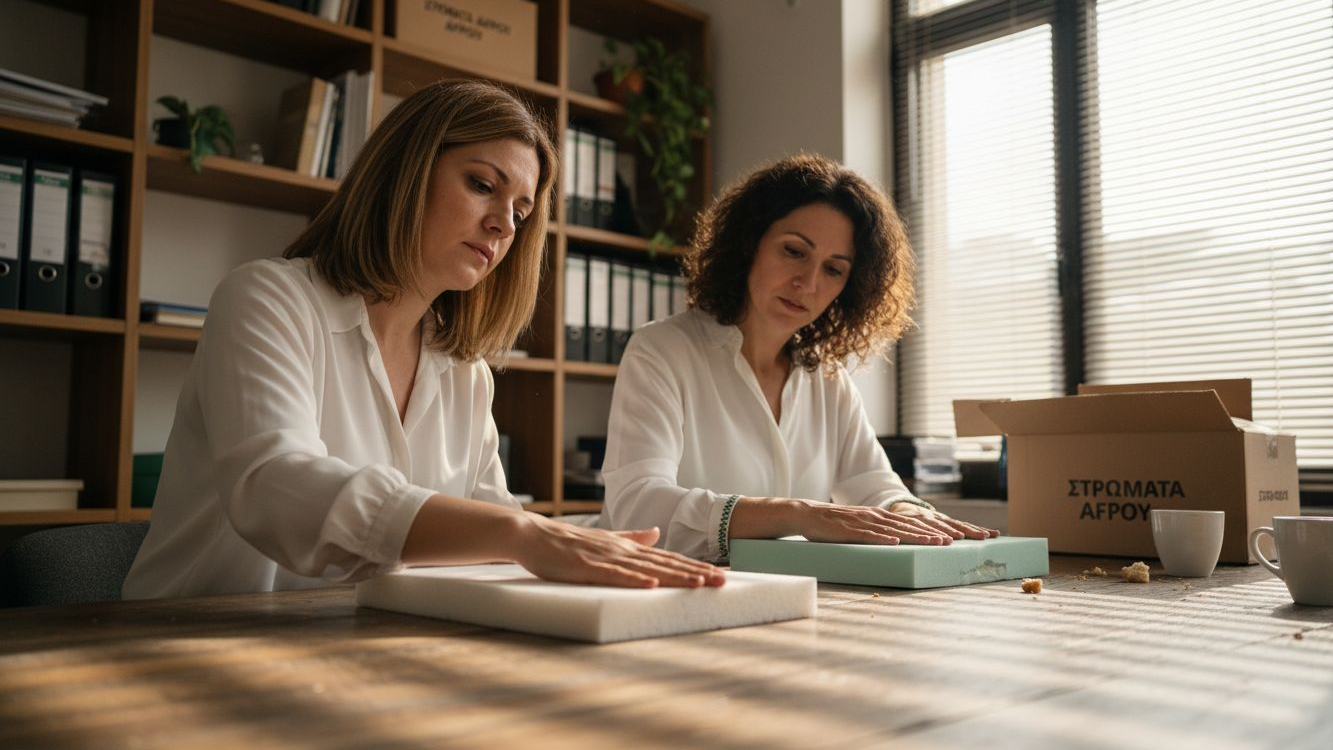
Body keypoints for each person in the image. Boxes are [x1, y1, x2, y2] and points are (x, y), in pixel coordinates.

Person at [124, 80, 723, 599]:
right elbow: (277, 486)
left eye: (520, 213)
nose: (502, 224)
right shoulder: (267, 299)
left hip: (350, 647)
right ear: (405, 173)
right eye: (482, 185)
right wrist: (519, 534)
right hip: (190, 640)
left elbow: (493, 531)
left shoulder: (465, 371)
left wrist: (603, 546)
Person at [598, 153, 999, 563]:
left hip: (790, 592)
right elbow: (640, 509)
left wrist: (907, 512)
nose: (807, 283)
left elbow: (872, 483)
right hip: (667, 588)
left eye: (834, 270)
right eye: (794, 251)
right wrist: (799, 514)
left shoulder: (828, 377)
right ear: (749, 241)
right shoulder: (661, 350)